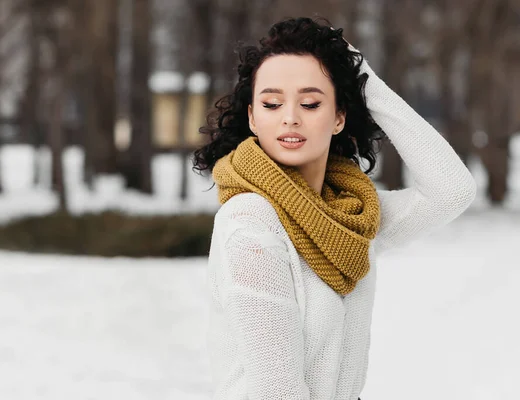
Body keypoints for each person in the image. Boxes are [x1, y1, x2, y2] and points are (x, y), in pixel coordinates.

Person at [192, 17, 476, 400]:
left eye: (310, 102)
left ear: (339, 116)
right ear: (252, 118)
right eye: (272, 103)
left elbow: (451, 191)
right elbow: (278, 391)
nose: (290, 116)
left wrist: (366, 83)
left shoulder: (351, 216)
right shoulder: (251, 222)